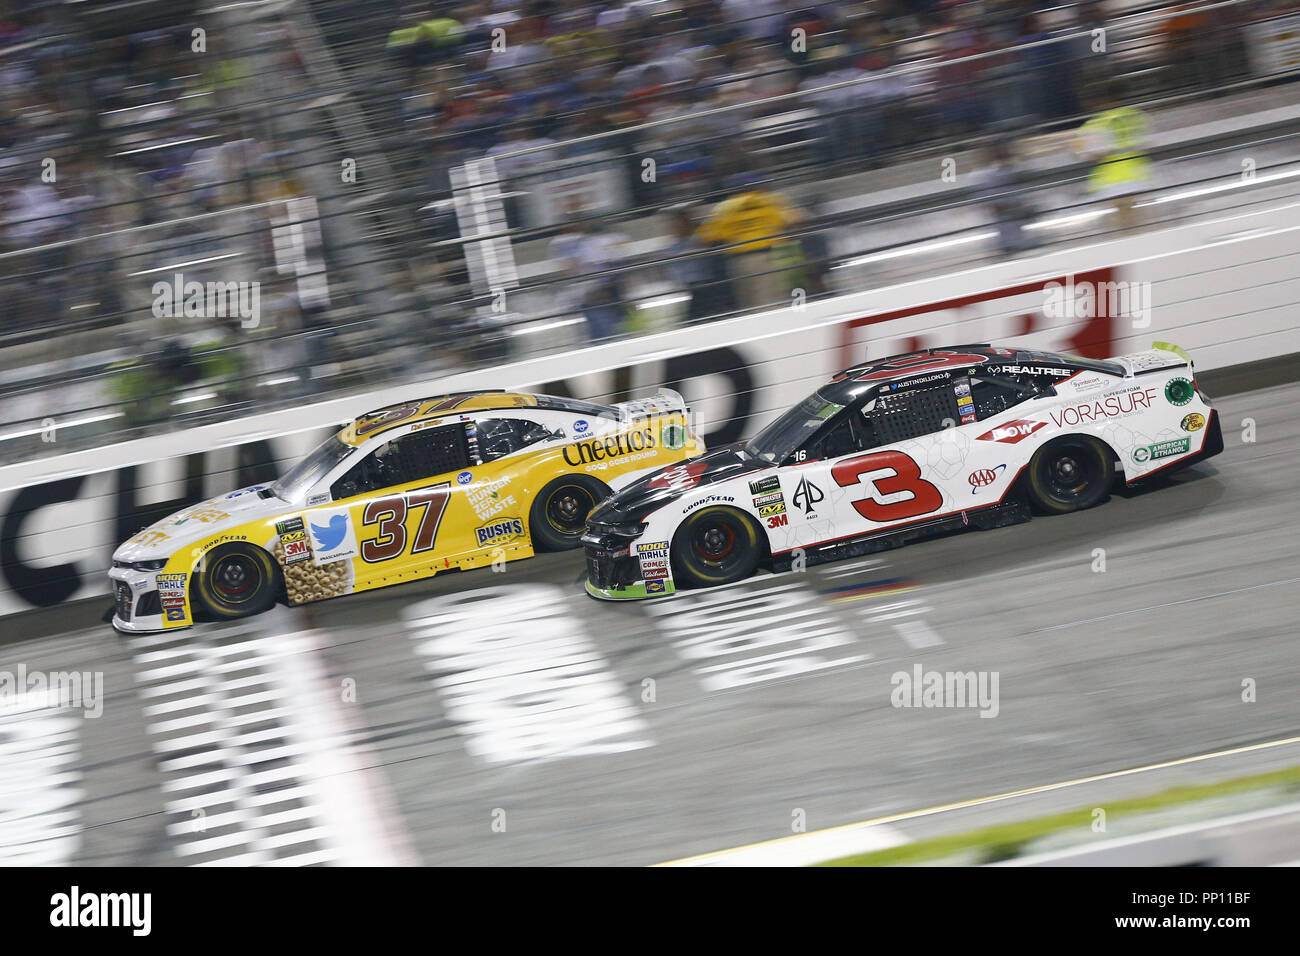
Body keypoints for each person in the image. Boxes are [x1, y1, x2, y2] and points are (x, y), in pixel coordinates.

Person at [696, 173, 804, 312]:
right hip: (771, 255)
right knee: (775, 302)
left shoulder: (725, 207)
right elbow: (797, 221)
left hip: (740, 260)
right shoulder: (769, 200)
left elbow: (705, 238)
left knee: (749, 305)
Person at [1075, 81, 1152, 233]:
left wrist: (1077, 148)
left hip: (1111, 186)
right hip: (1139, 179)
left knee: (1121, 234)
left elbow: (1092, 155)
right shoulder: (1138, 116)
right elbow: (1148, 143)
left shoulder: (1095, 124)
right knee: (1142, 229)